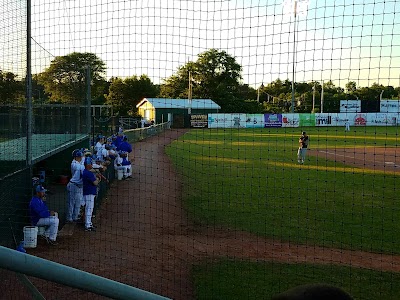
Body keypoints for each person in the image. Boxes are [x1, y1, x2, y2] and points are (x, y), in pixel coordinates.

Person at [82, 157, 101, 231]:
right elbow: (95, 183)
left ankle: (88, 223)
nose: (92, 165)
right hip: (89, 193)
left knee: (88, 209)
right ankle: (88, 225)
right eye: (91, 163)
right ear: (88, 165)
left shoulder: (85, 171)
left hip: (87, 192)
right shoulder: (88, 173)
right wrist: (98, 179)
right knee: (89, 209)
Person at [66, 149, 85, 223]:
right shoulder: (74, 164)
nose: (81, 158)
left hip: (80, 186)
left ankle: (75, 217)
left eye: (81, 156)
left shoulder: (81, 162)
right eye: (79, 157)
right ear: (75, 157)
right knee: (71, 203)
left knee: (78, 202)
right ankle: (69, 218)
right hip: (73, 185)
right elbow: (81, 168)